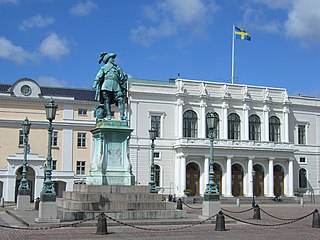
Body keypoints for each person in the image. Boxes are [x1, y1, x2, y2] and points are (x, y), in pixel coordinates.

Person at [92, 52, 128, 120]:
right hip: (106, 84)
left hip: (116, 85)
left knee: (120, 99)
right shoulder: (104, 68)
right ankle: (108, 116)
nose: (113, 60)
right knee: (107, 100)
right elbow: (99, 76)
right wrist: (95, 83)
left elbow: (122, 76)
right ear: (108, 59)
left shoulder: (117, 68)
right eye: (112, 58)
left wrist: (124, 76)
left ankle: (122, 116)